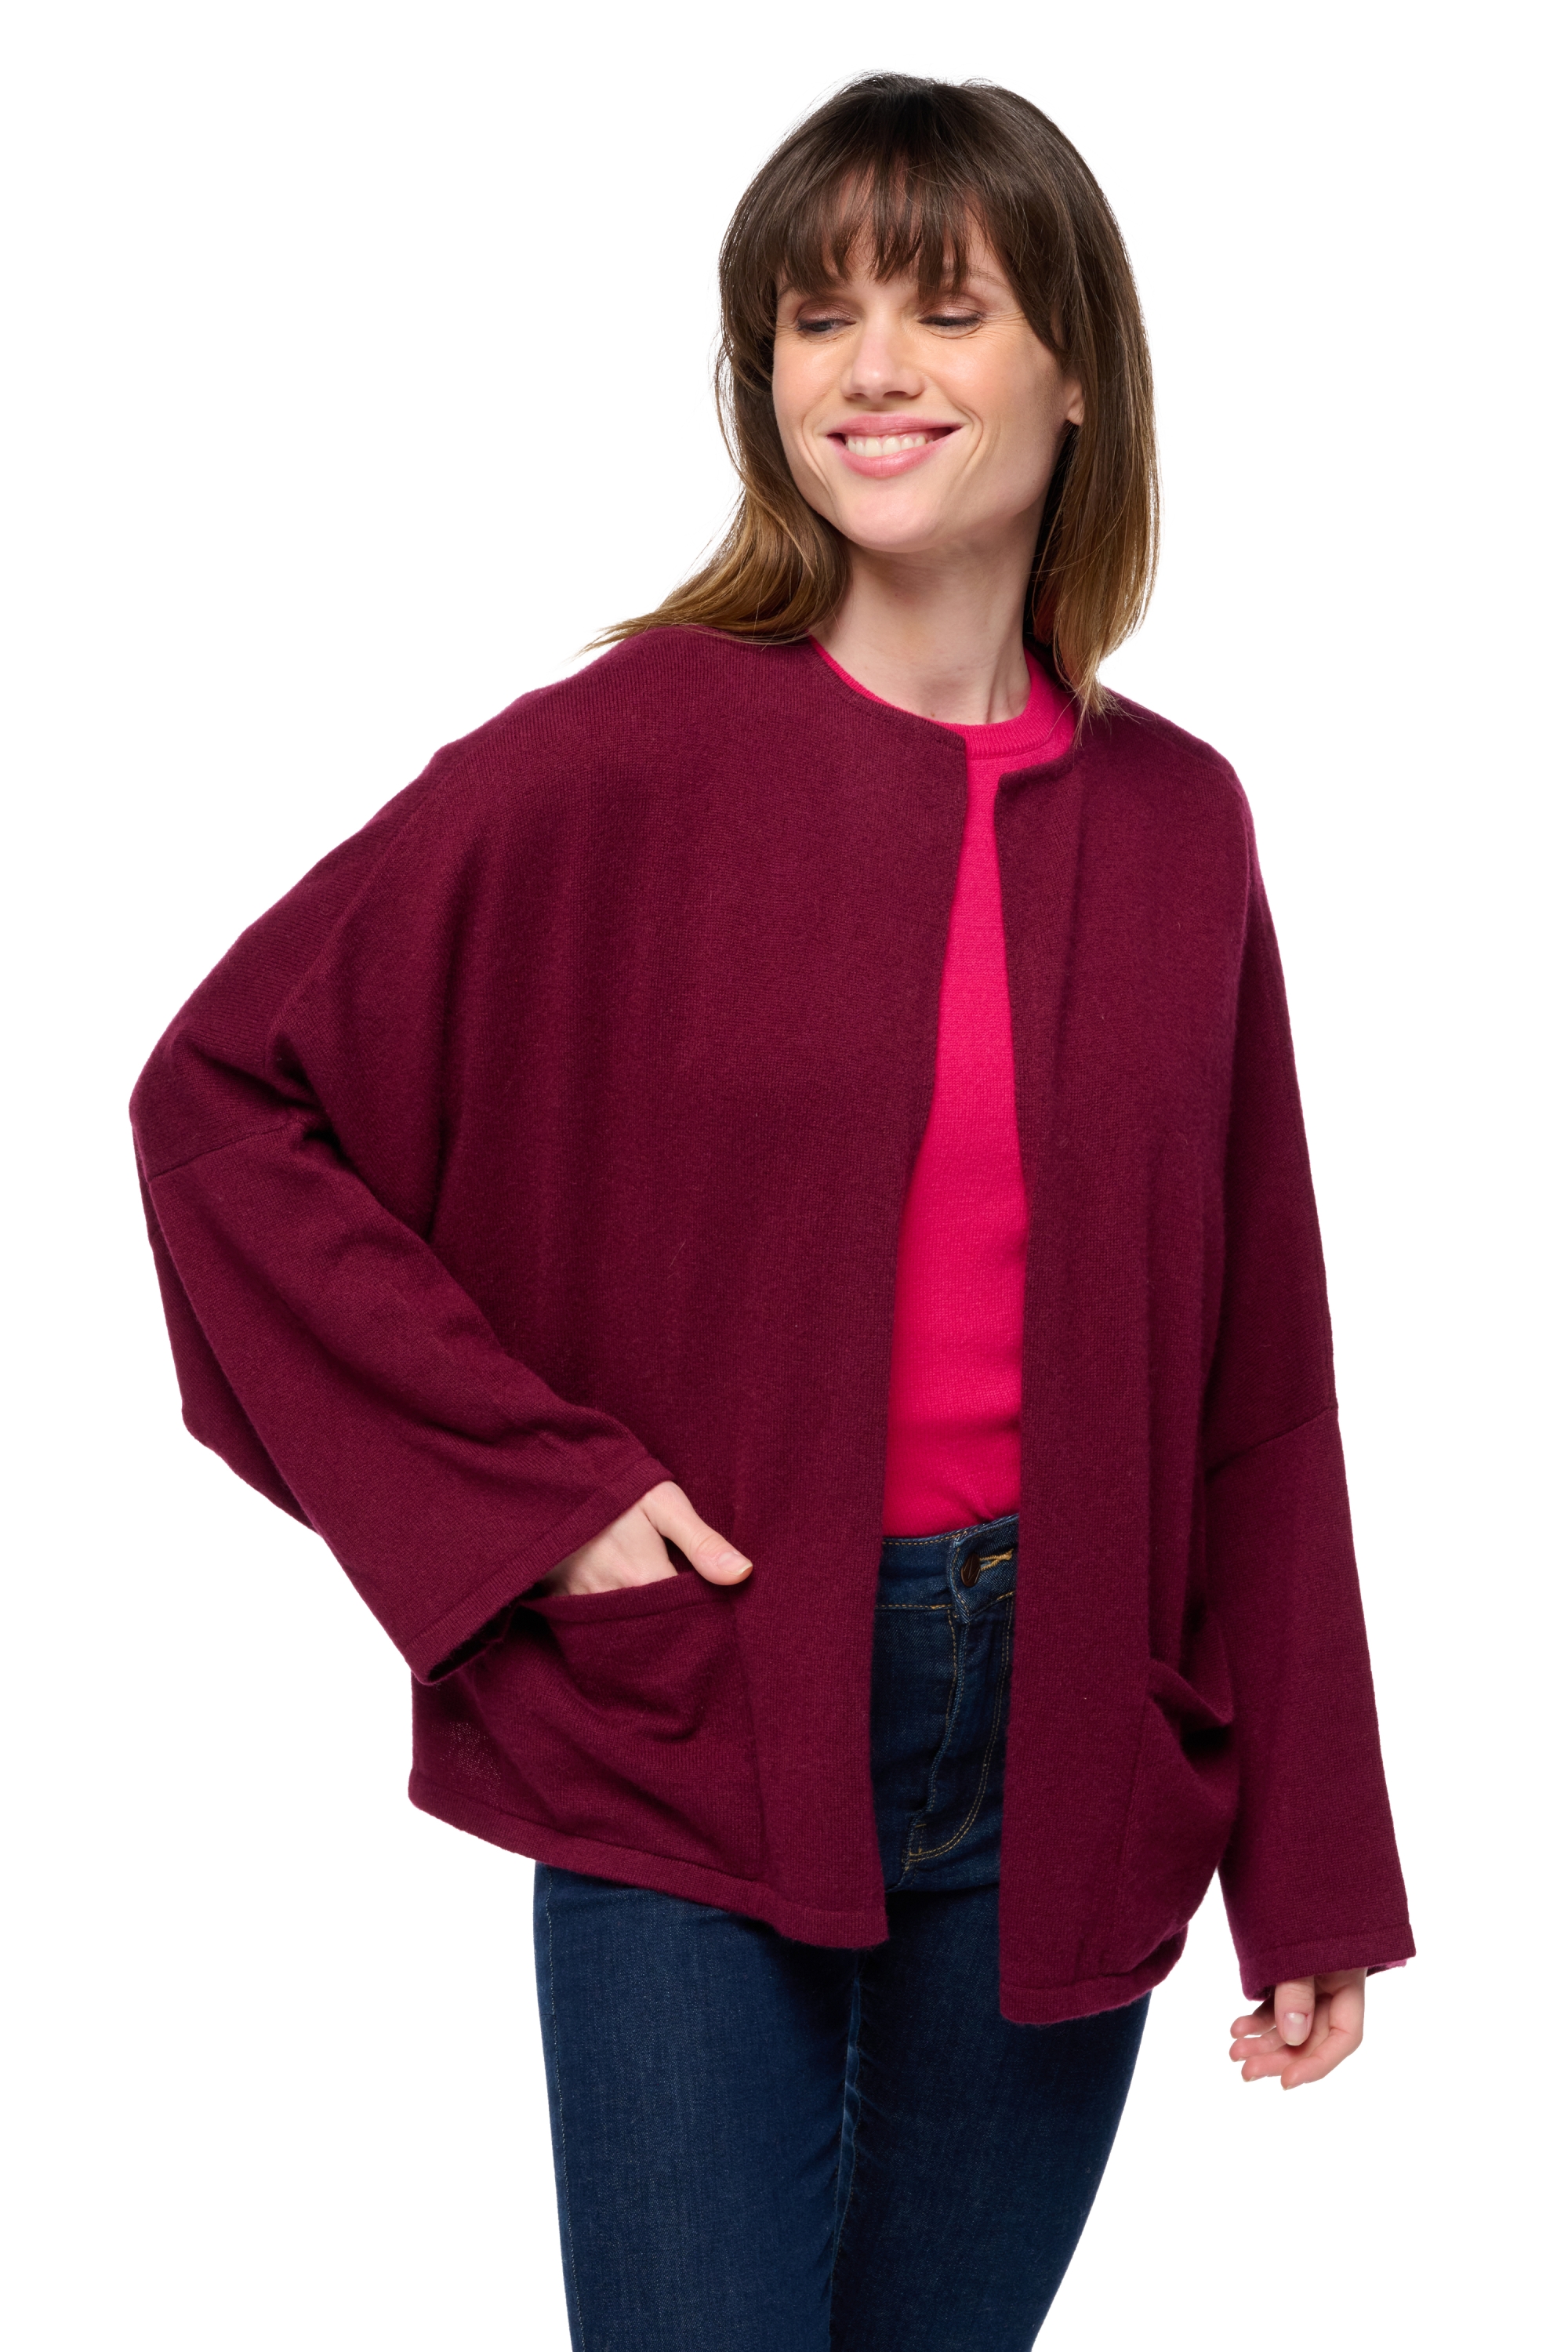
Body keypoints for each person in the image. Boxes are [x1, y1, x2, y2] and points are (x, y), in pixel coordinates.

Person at [130, 72, 1414, 2352]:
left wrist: (1309, 1855)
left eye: (946, 309)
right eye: (819, 319)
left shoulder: (1184, 824)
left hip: (1071, 1736)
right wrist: (533, 1499)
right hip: (703, 1704)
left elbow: (1261, 1378)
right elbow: (227, 1105)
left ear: (1079, 369)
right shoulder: (626, 754)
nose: (873, 369)